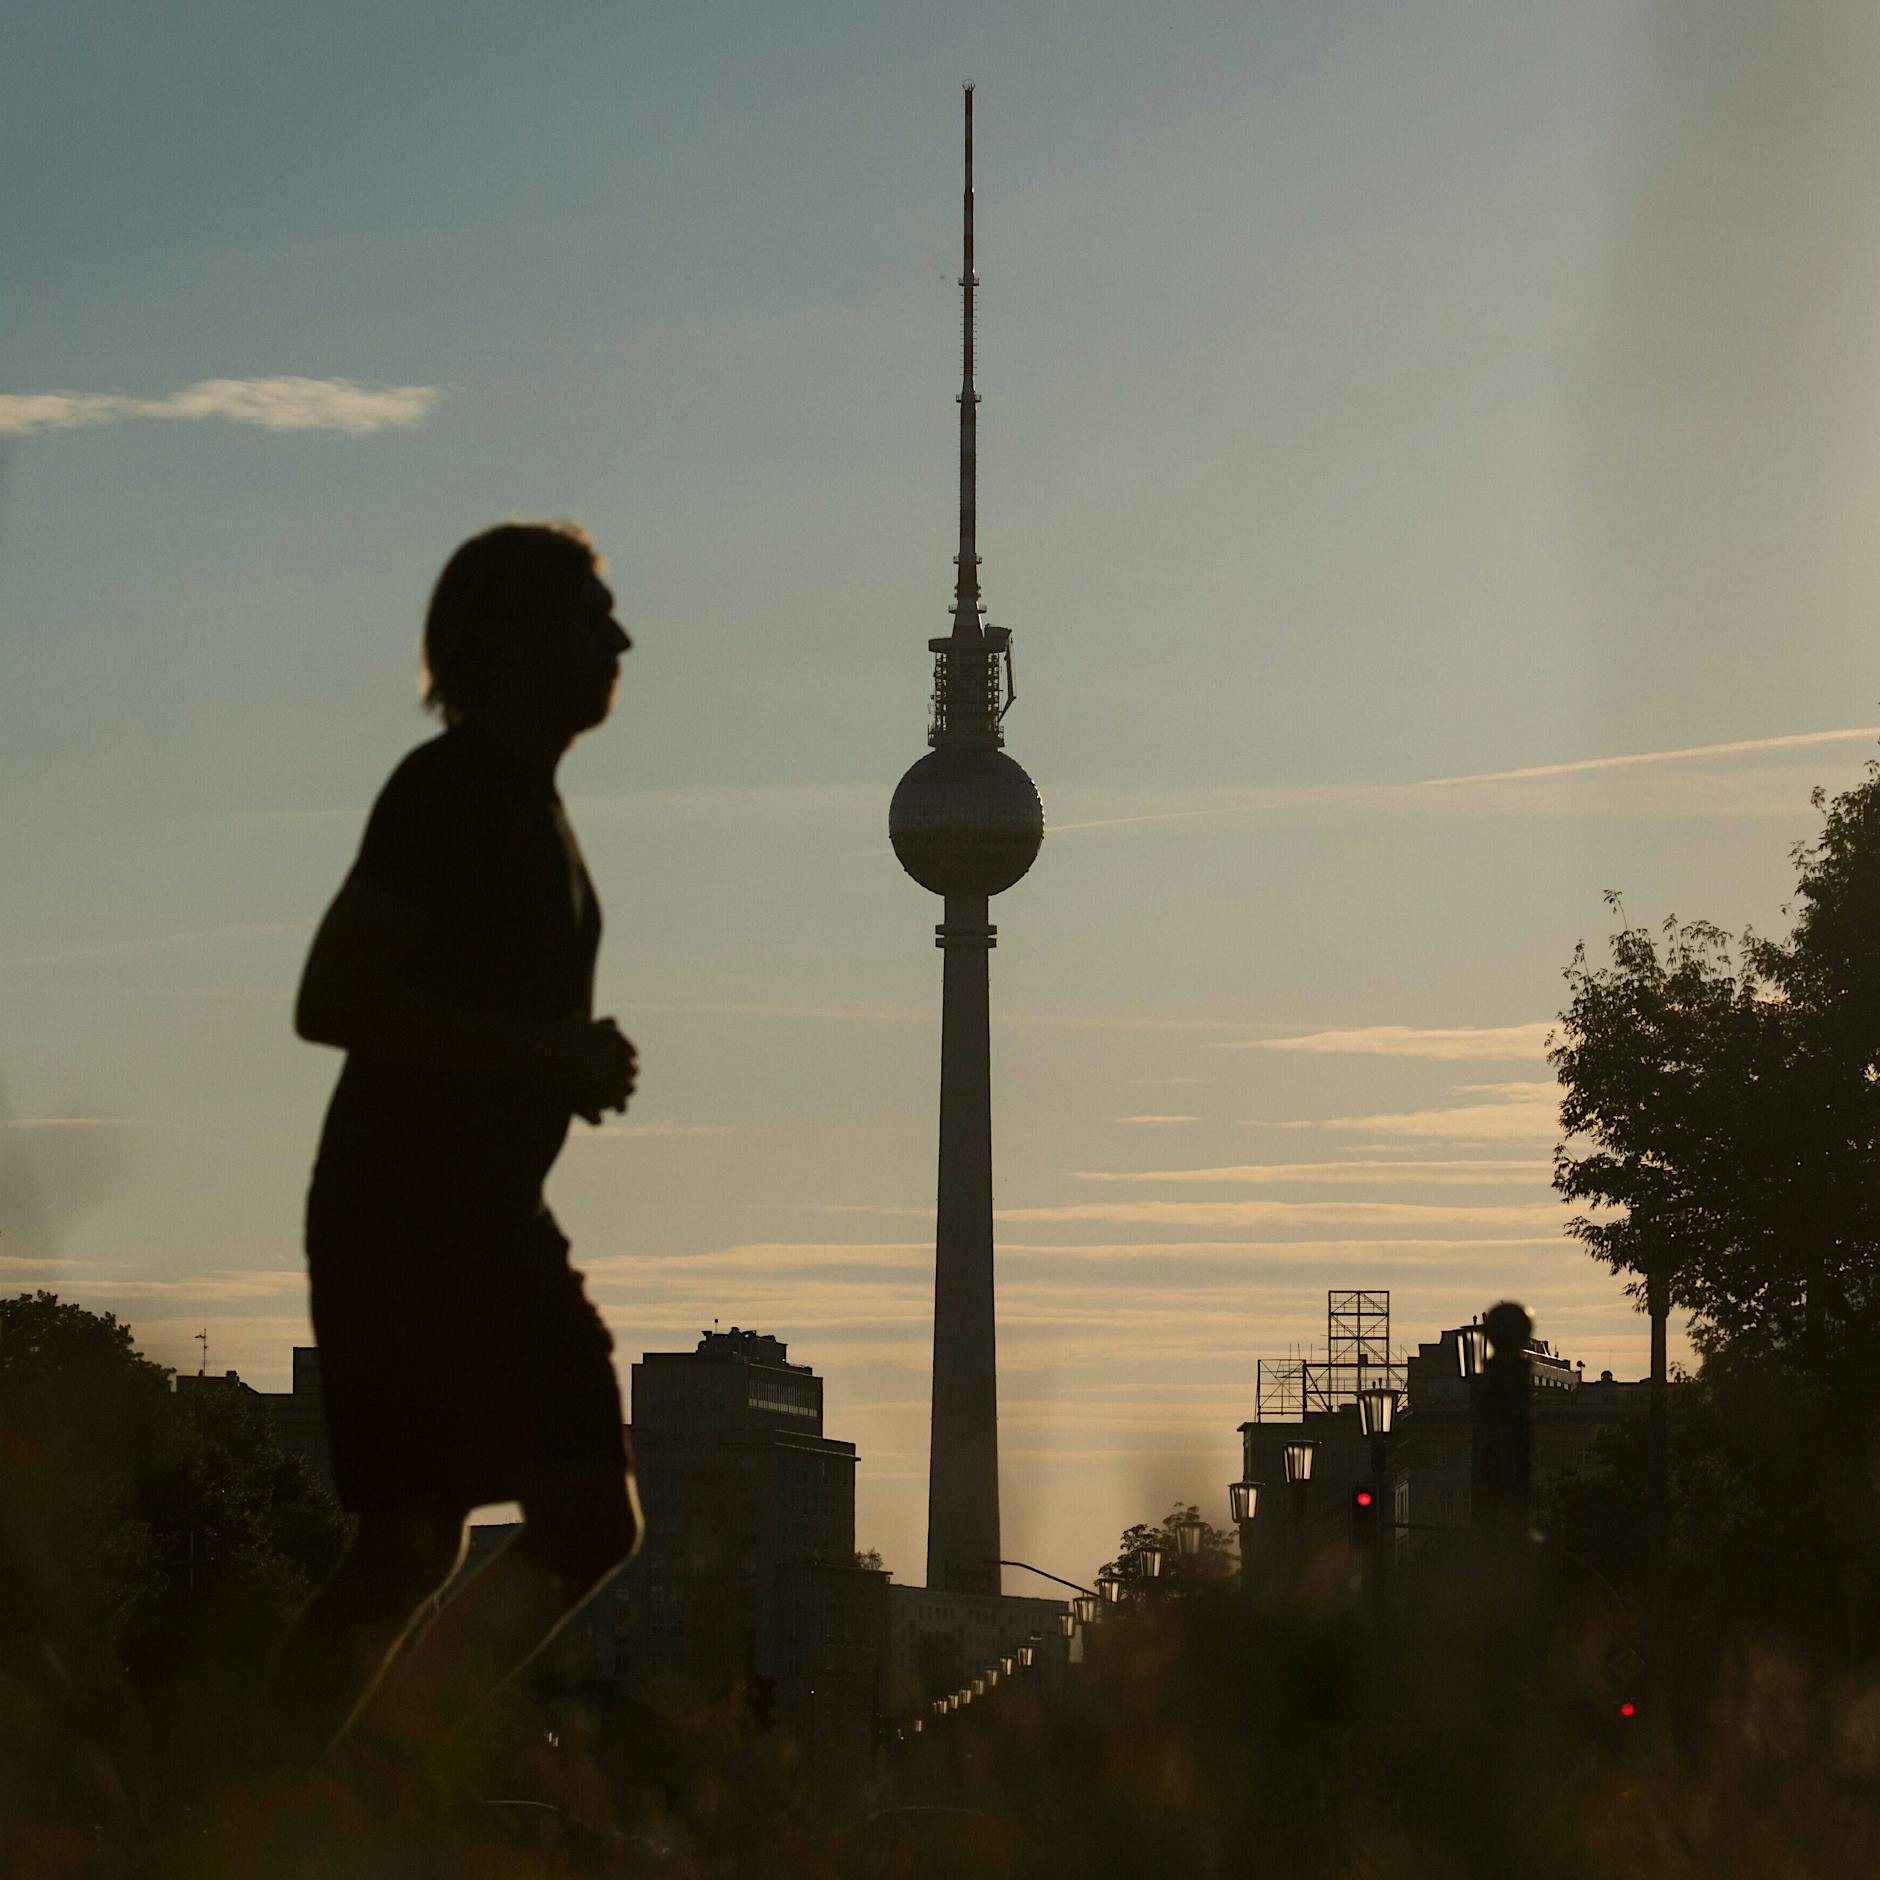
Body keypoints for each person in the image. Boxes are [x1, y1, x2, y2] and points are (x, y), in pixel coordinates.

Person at [277, 521, 641, 1779]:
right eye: (592, 616)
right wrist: (543, 1054)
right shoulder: (450, 792)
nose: (620, 640)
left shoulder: (528, 804)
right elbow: (330, 996)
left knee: (441, 1537)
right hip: (412, 1214)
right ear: (509, 640)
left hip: (473, 1211)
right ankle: (310, 1792)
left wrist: (553, 1058)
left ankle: (298, 1795)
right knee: (452, 1535)